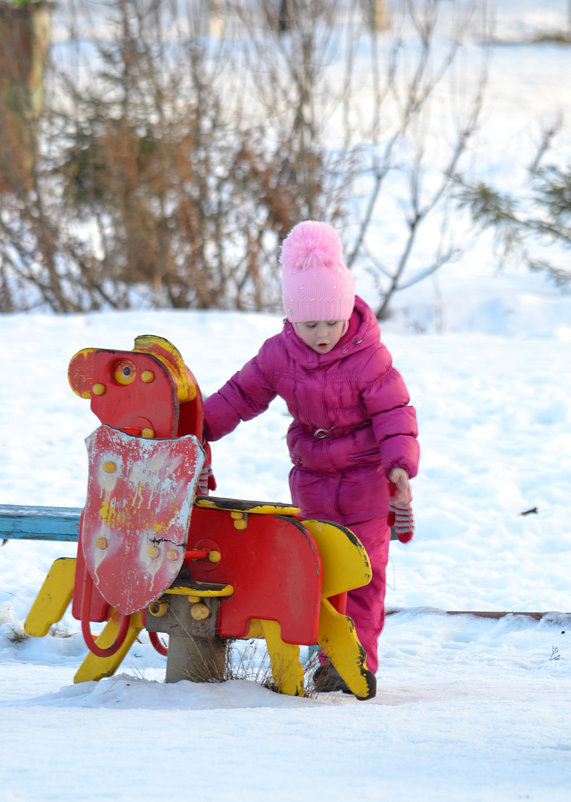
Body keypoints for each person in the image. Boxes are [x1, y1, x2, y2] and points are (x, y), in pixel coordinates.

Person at [202, 220, 419, 696]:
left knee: (361, 572)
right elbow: (241, 395)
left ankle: (353, 661)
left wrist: (399, 464)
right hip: (313, 477)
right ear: (291, 318)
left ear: (347, 312)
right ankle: (328, 658)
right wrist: (199, 425)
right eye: (310, 324)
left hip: (366, 479)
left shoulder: (369, 357)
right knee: (317, 569)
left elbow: (394, 413)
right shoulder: (279, 355)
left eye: (332, 322)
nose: (322, 334)